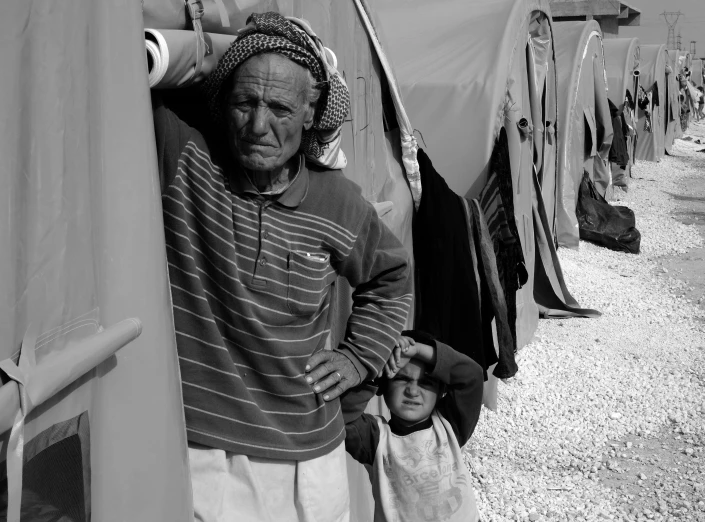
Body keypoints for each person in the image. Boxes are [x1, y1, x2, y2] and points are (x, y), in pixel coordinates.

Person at [152, 12, 412, 522]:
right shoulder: (188, 159)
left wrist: (359, 358)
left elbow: (391, 276)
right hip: (201, 451)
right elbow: (134, 58)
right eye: (244, 102)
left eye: (280, 107)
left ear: (312, 113)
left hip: (307, 455)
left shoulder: (339, 202)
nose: (258, 126)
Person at [342, 331, 484, 522]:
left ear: (441, 390)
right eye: (402, 379)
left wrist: (416, 350)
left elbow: (472, 376)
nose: (413, 391)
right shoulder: (373, 437)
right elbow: (341, 416)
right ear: (383, 384)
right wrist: (377, 366)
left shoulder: (450, 424)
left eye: (426, 383)